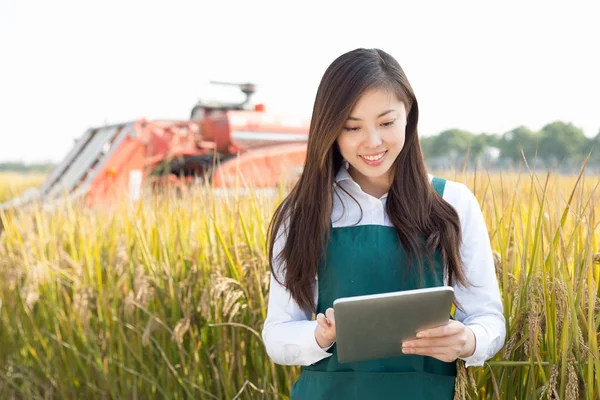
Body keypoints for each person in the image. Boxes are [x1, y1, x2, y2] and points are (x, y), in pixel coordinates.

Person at [261, 48, 505, 399]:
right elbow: (277, 335)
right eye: (352, 127)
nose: (372, 142)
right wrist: (320, 336)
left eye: (387, 123)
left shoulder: (452, 203)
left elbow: (488, 319)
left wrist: (468, 340)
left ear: (409, 115)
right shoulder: (302, 213)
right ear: (330, 129)